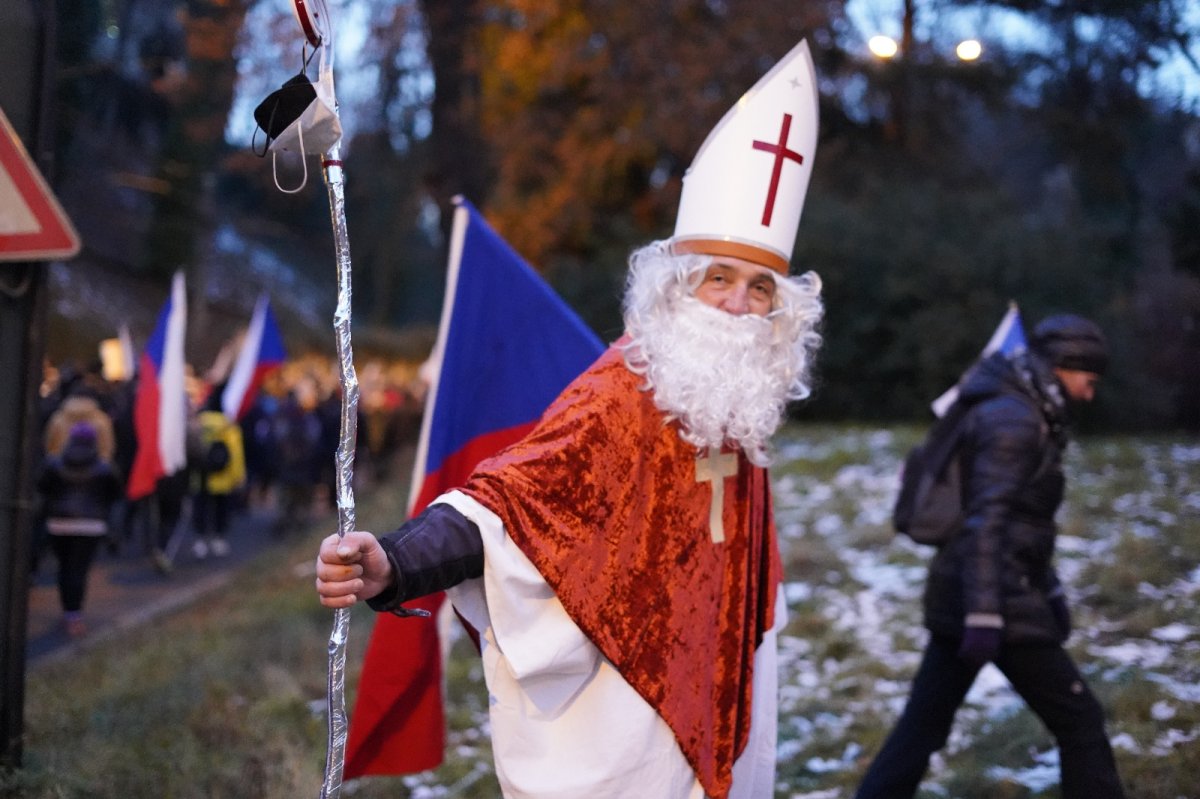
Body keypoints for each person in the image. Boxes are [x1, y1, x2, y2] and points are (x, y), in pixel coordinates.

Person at [316, 39, 823, 799]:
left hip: (721, 686)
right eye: (720, 276)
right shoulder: (621, 390)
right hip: (626, 716)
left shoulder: (739, 405)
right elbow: (508, 506)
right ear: (678, 285)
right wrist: (395, 561)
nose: (740, 304)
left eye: (759, 288)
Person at [854, 314, 1126, 799]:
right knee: (1080, 719)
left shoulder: (1020, 408)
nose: (1090, 393)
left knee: (923, 727)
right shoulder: (1014, 419)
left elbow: (1022, 525)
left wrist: (1051, 590)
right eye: (1089, 379)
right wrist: (984, 614)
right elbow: (988, 522)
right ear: (1064, 366)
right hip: (996, 602)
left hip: (967, 593)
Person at [36, 421, 123, 637]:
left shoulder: (54, 464)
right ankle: (75, 614)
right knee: (79, 570)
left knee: (64, 569)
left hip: (59, 524)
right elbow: (115, 494)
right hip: (91, 526)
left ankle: (68, 610)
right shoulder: (104, 467)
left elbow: (42, 488)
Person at [190, 407, 246, 558]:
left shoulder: (199, 422)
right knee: (220, 508)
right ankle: (218, 538)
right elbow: (235, 452)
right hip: (222, 477)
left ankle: (200, 541)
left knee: (201, 508)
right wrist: (238, 476)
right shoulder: (229, 425)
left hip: (201, 476)